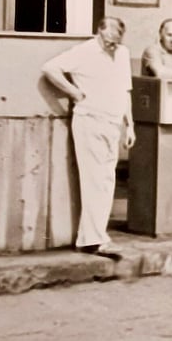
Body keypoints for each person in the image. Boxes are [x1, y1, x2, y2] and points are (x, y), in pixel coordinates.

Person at [41, 17, 135, 253]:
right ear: (99, 33)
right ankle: (93, 238)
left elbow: (125, 90)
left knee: (106, 180)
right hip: (90, 121)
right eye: (108, 42)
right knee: (94, 179)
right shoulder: (85, 51)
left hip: (112, 123)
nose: (112, 46)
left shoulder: (122, 53)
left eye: (116, 42)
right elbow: (50, 68)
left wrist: (130, 123)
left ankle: (92, 236)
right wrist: (73, 92)